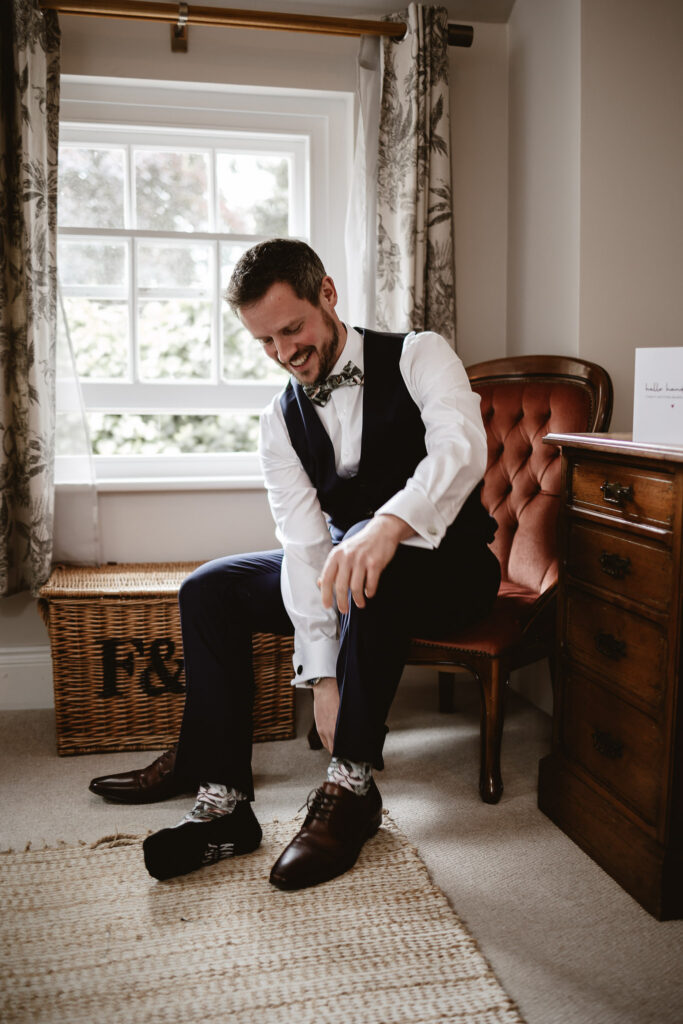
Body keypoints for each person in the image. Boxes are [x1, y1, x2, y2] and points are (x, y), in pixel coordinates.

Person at [89, 238, 500, 890]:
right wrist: (323, 681)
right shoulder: (278, 420)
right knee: (210, 589)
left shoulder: (419, 352)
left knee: (367, 556)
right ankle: (223, 797)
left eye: (293, 329)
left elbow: (462, 446)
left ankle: (350, 787)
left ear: (327, 295)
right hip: (348, 566)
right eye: (265, 342)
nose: (284, 354)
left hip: (452, 569)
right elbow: (307, 545)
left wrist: (388, 526)